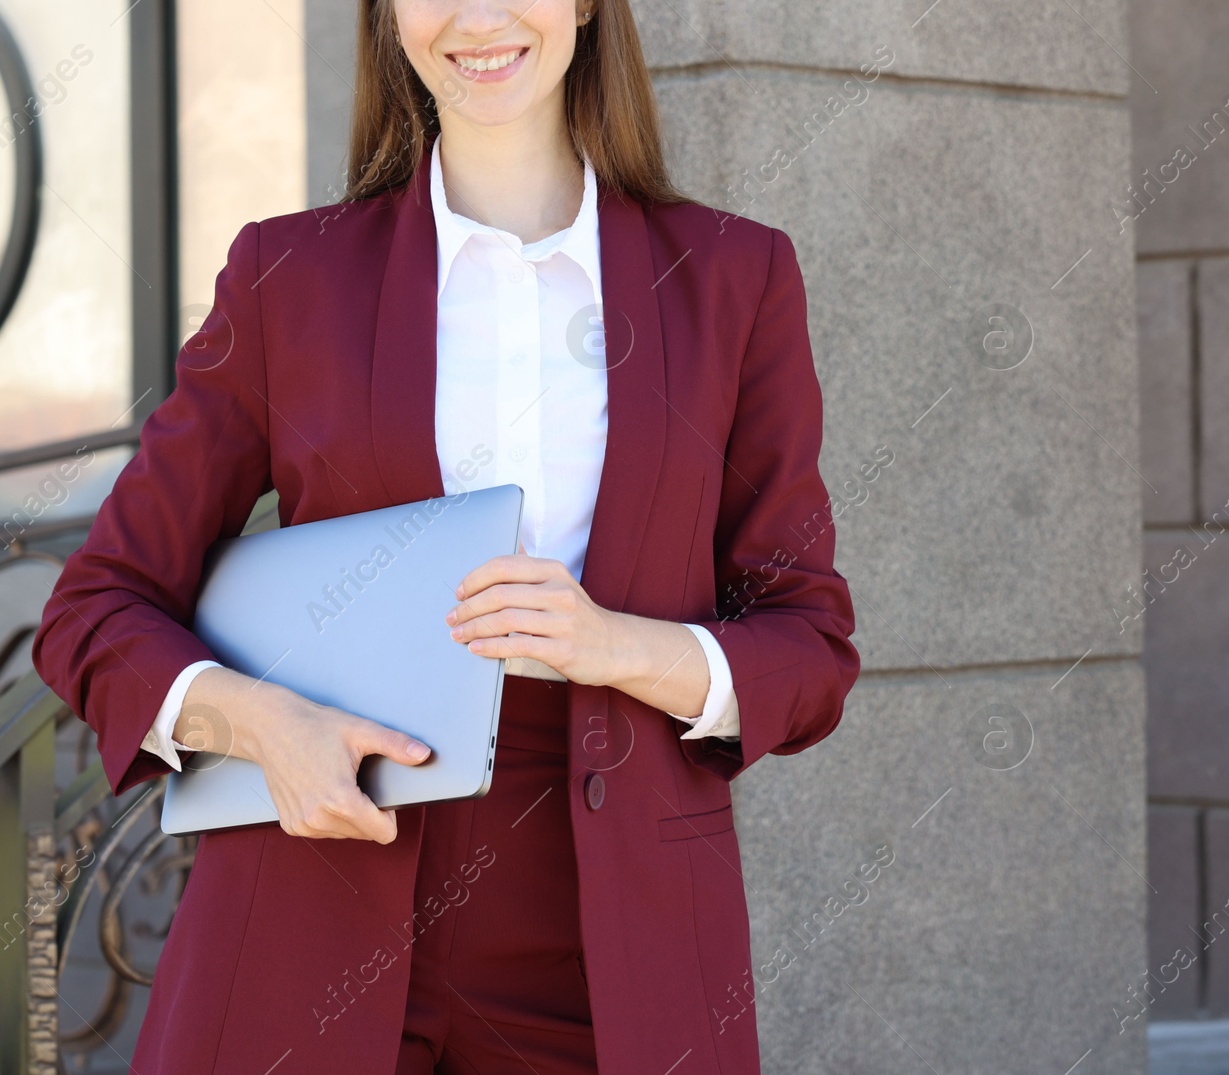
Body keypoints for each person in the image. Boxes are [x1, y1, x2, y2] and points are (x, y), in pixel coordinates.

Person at [30, 1, 859, 1072]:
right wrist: (263, 724)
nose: (477, 16)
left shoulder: (733, 280)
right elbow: (94, 606)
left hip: (612, 944)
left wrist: (616, 645)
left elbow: (809, 644)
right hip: (313, 898)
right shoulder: (291, 279)